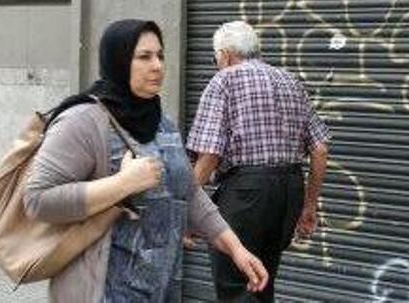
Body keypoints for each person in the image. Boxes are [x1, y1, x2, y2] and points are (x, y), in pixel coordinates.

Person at [23, 19, 268, 302]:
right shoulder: (82, 121)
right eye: (144, 57)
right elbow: (36, 199)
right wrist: (121, 184)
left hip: (162, 288)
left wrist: (235, 248)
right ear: (118, 60)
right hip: (103, 290)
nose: (158, 65)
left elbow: (187, 193)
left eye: (160, 56)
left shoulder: (163, 123)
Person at [187, 20, 330, 302]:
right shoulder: (290, 80)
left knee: (236, 287)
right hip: (289, 193)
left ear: (225, 54)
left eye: (216, 58)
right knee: (262, 283)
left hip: (245, 195)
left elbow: (210, 155)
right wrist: (309, 206)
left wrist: (185, 206)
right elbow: (320, 149)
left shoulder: (224, 81)